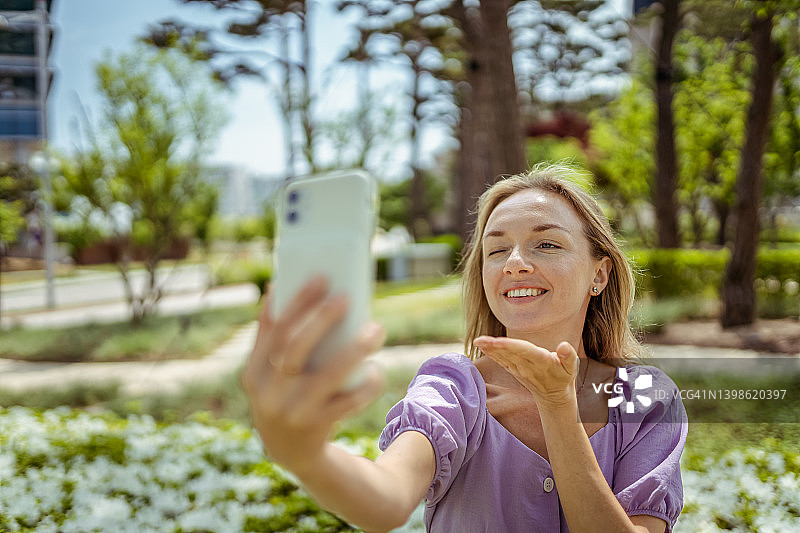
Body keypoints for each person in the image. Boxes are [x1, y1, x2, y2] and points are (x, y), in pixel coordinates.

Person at [242, 163, 688, 533]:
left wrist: (558, 405)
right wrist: (305, 455)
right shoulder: (453, 386)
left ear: (600, 275)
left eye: (546, 244)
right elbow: (385, 500)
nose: (514, 263)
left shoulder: (647, 398)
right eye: (496, 251)